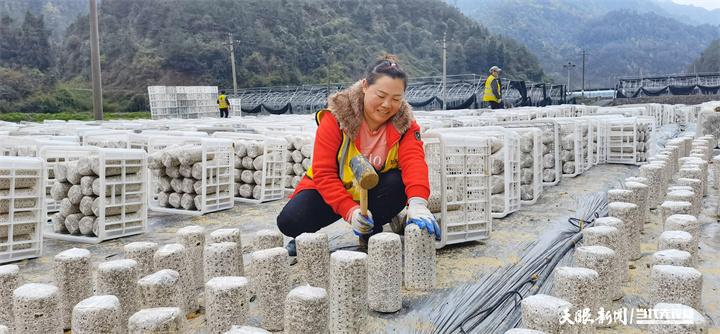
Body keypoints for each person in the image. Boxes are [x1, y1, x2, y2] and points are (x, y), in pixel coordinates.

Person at [276, 54, 440, 255]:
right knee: (290, 221)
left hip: (375, 191)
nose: (387, 104)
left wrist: (417, 203)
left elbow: (414, 161)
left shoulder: (404, 124)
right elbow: (324, 173)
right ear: (364, 86)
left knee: (397, 184)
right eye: (380, 96)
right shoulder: (337, 118)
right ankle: (304, 238)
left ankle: (372, 228)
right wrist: (350, 210)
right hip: (332, 190)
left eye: (396, 99)